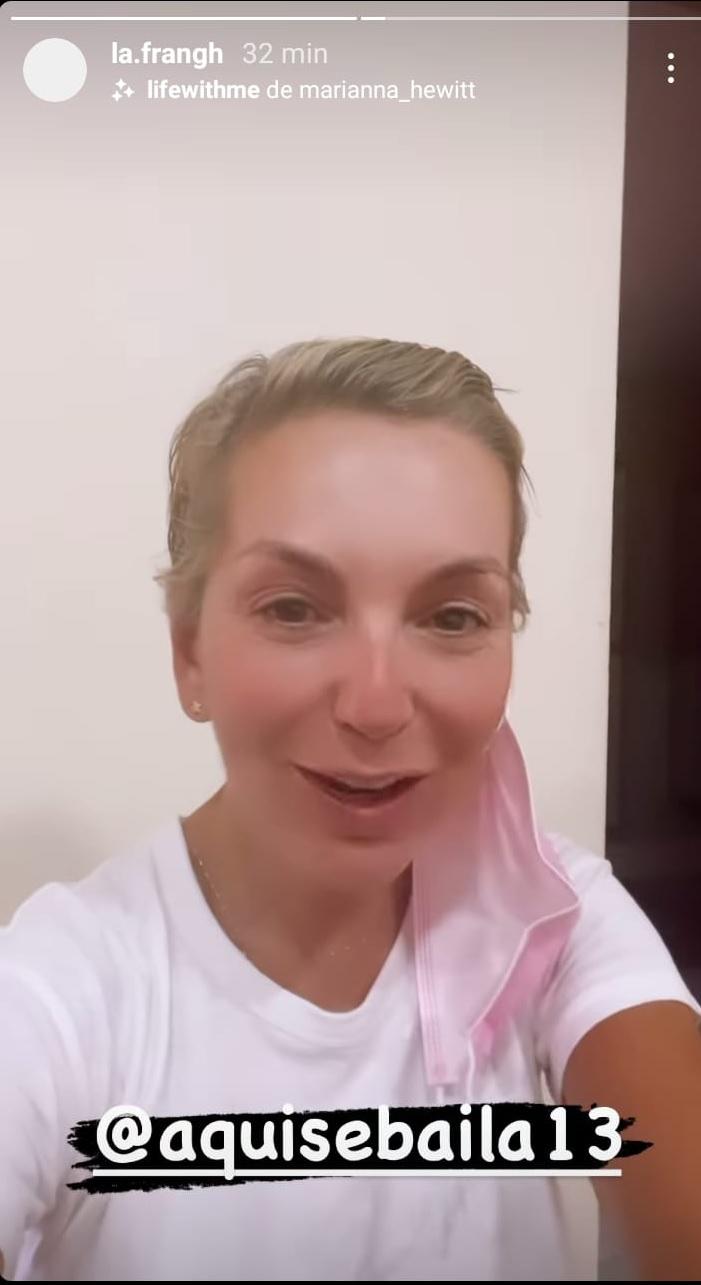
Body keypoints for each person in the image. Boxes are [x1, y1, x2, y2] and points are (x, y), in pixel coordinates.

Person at [1, 336, 700, 1282]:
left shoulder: (548, 919)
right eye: (293, 608)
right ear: (190, 653)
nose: (375, 704)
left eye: (452, 616)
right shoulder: (63, 988)